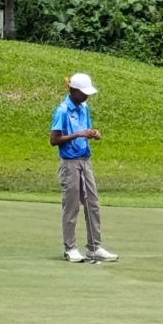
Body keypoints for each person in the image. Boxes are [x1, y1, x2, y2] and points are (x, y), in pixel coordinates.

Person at [50, 72, 118, 263]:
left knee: (93, 204)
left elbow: (85, 131)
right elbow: (54, 140)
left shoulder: (84, 107)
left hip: (85, 160)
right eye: (83, 92)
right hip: (69, 163)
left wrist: (92, 133)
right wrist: (78, 134)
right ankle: (70, 248)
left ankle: (95, 247)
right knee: (71, 206)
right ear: (73, 90)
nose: (87, 96)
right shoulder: (62, 110)